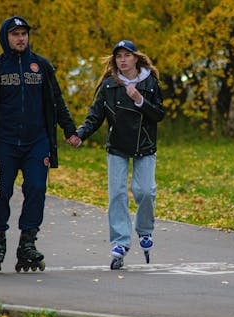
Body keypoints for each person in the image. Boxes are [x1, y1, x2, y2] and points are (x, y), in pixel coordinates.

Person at [0, 16, 80, 274]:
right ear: (5, 38)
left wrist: (70, 129)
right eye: (15, 34)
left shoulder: (41, 66)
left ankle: (27, 244)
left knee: (36, 189)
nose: (21, 38)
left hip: (36, 143)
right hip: (3, 144)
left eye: (24, 34)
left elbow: (56, 100)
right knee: (0, 193)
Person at [70, 40, 165, 269]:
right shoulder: (109, 85)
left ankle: (144, 231)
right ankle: (121, 242)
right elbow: (95, 116)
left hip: (144, 145)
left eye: (127, 55)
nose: (122, 60)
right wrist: (80, 134)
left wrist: (139, 100)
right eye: (118, 56)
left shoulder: (150, 82)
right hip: (117, 146)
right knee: (117, 194)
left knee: (145, 191)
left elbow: (159, 114)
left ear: (136, 58)